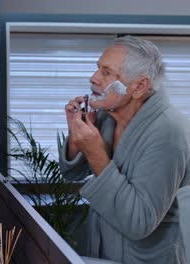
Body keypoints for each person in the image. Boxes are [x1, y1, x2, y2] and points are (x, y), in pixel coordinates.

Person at [59, 36, 190, 263]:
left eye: (107, 73)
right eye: (97, 68)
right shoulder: (107, 116)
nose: (93, 78)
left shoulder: (169, 133)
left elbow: (139, 222)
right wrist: (75, 133)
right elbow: (72, 173)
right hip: (103, 251)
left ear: (139, 86)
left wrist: (96, 154)